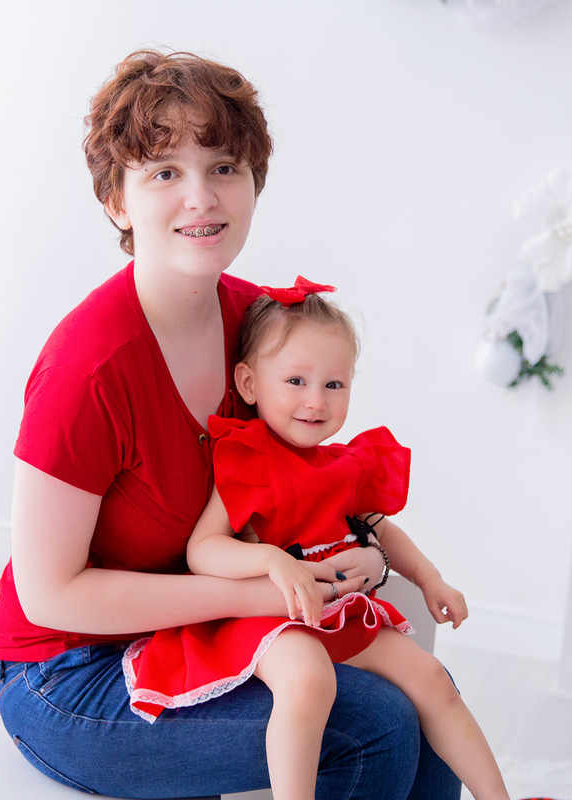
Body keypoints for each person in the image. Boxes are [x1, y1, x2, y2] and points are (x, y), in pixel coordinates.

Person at [0, 49, 463, 799]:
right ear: (117, 201)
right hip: (70, 674)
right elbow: (51, 595)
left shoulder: (259, 328)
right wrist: (263, 595)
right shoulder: (88, 370)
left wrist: (362, 559)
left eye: (223, 167)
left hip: (200, 631)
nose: (201, 197)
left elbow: (306, 483)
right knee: (371, 724)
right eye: (164, 173)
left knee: (421, 699)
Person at [123, 280, 512, 800]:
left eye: (334, 384)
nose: (316, 401)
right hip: (269, 618)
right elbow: (204, 549)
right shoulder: (249, 458)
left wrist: (430, 579)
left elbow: (382, 530)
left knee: (433, 679)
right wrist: (272, 561)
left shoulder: (343, 465)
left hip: (339, 611)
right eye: (296, 381)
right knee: (308, 680)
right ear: (249, 383)